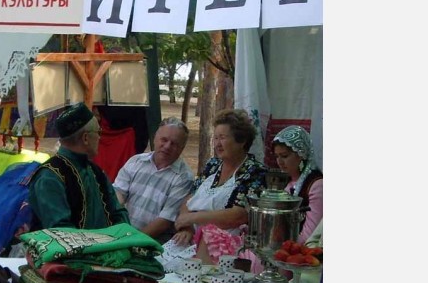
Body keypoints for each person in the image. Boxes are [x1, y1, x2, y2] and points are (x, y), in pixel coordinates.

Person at [170, 108, 267, 263]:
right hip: (192, 239)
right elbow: (189, 199)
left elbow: (238, 216)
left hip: (226, 249)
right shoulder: (213, 165)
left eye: (222, 138)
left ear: (241, 140)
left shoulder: (255, 172)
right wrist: (186, 227)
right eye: (215, 138)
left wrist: (191, 218)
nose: (217, 144)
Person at [28, 102, 130, 230]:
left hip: (106, 246)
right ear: (86, 138)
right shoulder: (50, 177)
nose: (100, 137)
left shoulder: (95, 171)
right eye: (98, 132)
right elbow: (60, 231)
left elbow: (118, 213)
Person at [113, 117, 194, 243]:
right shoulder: (136, 161)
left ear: (182, 148)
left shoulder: (184, 178)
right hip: (123, 232)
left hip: (154, 243)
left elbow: (165, 221)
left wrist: (132, 241)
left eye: (174, 143)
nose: (167, 146)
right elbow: (118, 193)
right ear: (155, 138)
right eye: (164, 140)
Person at [272, 125, 323, 242]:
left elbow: (310, 235)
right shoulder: (290, 183)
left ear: (301, 155)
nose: (279, 162)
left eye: (284, 156)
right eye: (277, 156)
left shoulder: (316, 185)